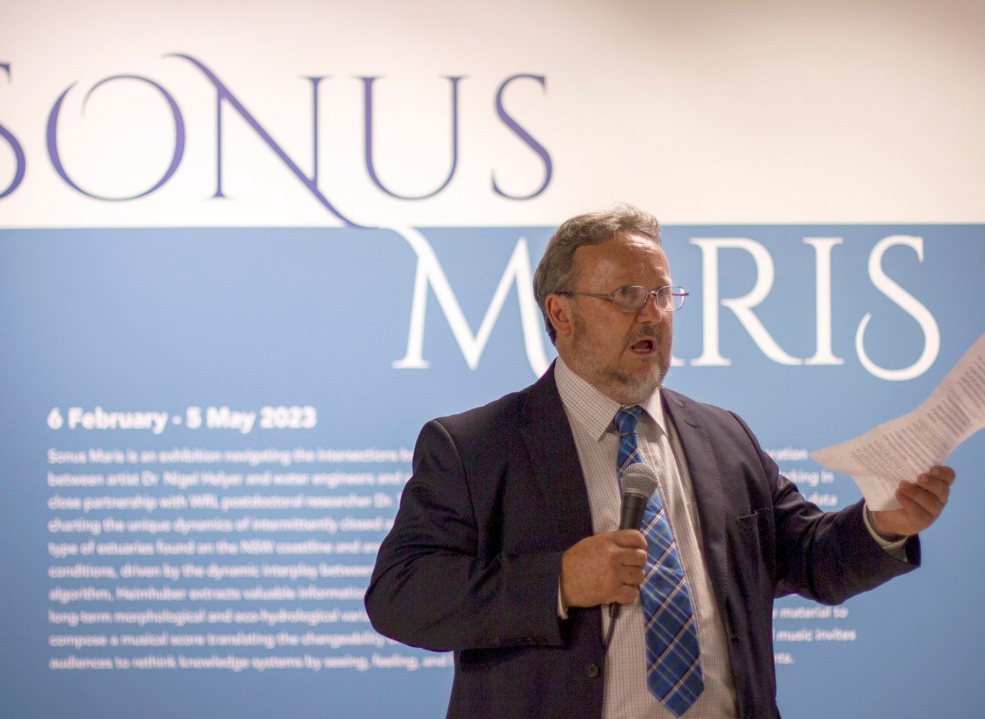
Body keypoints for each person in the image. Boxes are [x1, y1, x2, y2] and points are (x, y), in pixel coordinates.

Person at [364, 205, 954, 719]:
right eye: (626, 295)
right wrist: (560, 581)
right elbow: (400, 595)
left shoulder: (724, 436)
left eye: (663, 295)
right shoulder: (475, 446)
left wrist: (884, 523)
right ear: (561, 314)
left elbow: (810, 558)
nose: (652, 314)